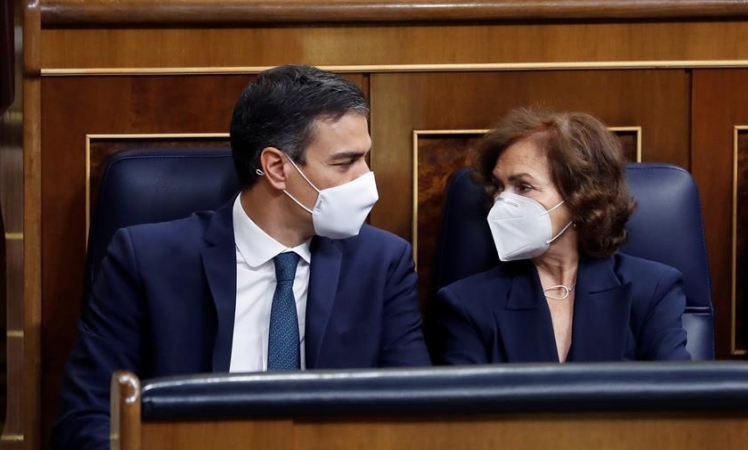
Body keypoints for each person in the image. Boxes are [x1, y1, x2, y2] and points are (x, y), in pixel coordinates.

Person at [52, 65, 431, 450]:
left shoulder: (382, 263)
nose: (366, 179)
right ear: (277, 167)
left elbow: (416, 418)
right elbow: (87, 420)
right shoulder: (145, 261)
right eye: (345, 162)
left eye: (366, 158)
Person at [436, 108, 691, 364]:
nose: (502, 201)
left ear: (581, 196)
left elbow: (677, 396)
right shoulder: (467, 303)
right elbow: (466, 403)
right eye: (500, 187)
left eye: (524, 187)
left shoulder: (652, 289)